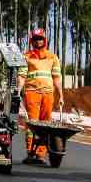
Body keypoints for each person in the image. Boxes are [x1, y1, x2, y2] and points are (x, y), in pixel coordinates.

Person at [17, 27, 63, 164]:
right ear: (32, 41)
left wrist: (61, 95)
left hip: (48, 94)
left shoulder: (52, 57)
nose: (38, 41)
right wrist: (18, 90)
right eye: (36, 39)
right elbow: (22, 76)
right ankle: (31, 153)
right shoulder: (26, 57)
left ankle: (41, 154)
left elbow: (57, 78)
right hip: (32, 93)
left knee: (45, 124)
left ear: (45, 40)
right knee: (32, 124)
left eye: (40, 39)